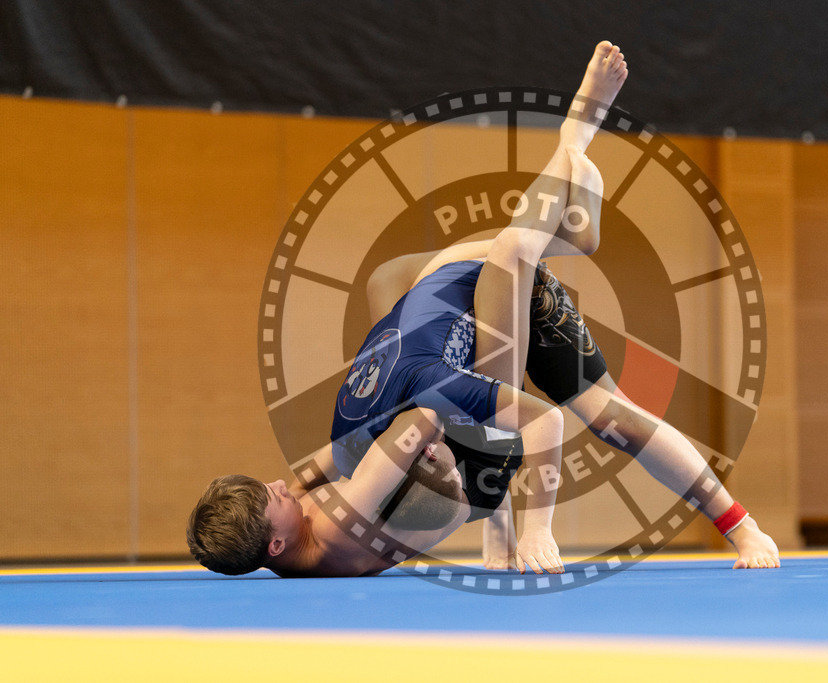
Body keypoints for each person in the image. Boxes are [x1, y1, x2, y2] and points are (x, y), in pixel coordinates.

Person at [188, 40, 630, 578]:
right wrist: (536, 530)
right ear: (274, 542)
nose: (277, 485)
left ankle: (571, 216)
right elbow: (420, 422)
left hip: (455, 473)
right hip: (469, 451)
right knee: (513, 249)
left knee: (396, 277)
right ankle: (574, 136)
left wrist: (308, 480)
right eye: (272, 498)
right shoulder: (342, 515)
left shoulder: (296, 557)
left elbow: (354, 468)